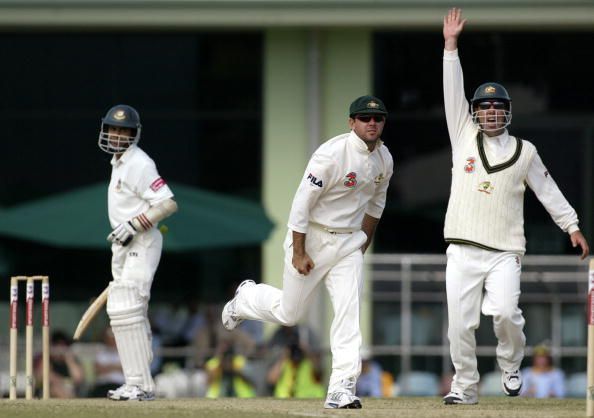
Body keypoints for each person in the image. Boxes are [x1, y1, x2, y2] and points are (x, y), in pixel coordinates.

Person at [441, 9, 589, 405]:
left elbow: (547, 189)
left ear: (506, 111)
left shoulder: (525, 151)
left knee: (506, 314)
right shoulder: (463, 136)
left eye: (496, 107)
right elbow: (452, 92)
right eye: (483, 107)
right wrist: (450, 47)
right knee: (459, 325)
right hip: (461, 247)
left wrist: (571, 225)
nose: (489, 112)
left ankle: (510, 364)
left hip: (505, 250)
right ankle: (465, 387)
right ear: (475, 112)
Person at [222, 95, 394, 409]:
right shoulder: (331, 155)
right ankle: (245, 298)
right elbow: (301, 205)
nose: (372, 123)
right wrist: (299, 252)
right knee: (290, 314)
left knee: (348, 312)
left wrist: (363, 243)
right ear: (351, 122)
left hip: (348, 244)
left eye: (378, 119)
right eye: (365, 118)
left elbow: (376, 205)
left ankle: (341, 387)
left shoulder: (384, 159)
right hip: (312, 238)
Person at [98, 104, 178, 401]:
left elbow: (168, 203)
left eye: (124, 131)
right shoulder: (118, 163)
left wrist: (134, 224)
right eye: (114, 129)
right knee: (126, 313)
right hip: (123, 246)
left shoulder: (140, 163)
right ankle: (137, 383)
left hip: (141, 243)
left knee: (127, 308)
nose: (117, 135)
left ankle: (140, 385)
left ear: (134, 134)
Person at [34, 330, 85, 398]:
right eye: (58, 345)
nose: (60, 349)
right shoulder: (44, 358)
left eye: (63, 346)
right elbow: (41, 376)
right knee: (55, 388)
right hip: (47, 393)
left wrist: (69, 360)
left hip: (69, 393)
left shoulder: (71, 359)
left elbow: (79, 379)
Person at [89, 327, 125, 397]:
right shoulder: (100, 352)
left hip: (120, 385)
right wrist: (116, 367)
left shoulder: (124, 353)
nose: (111, 340)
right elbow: (98, 370)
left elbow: (126, 369)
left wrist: (107, 367)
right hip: (102, 385)